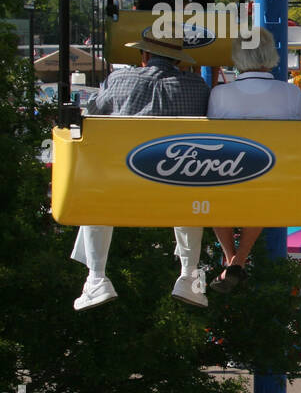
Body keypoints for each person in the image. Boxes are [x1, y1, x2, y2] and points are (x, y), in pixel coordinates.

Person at [69, 32, 210, 311]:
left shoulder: (118, 80)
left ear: (144, 57)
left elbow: (92, 117)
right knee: (192, 188)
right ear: (179, 61)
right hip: (177, 189)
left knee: (94, 192)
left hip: (122, 187)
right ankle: (189, 274)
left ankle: (96, 277)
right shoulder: (197, 87)